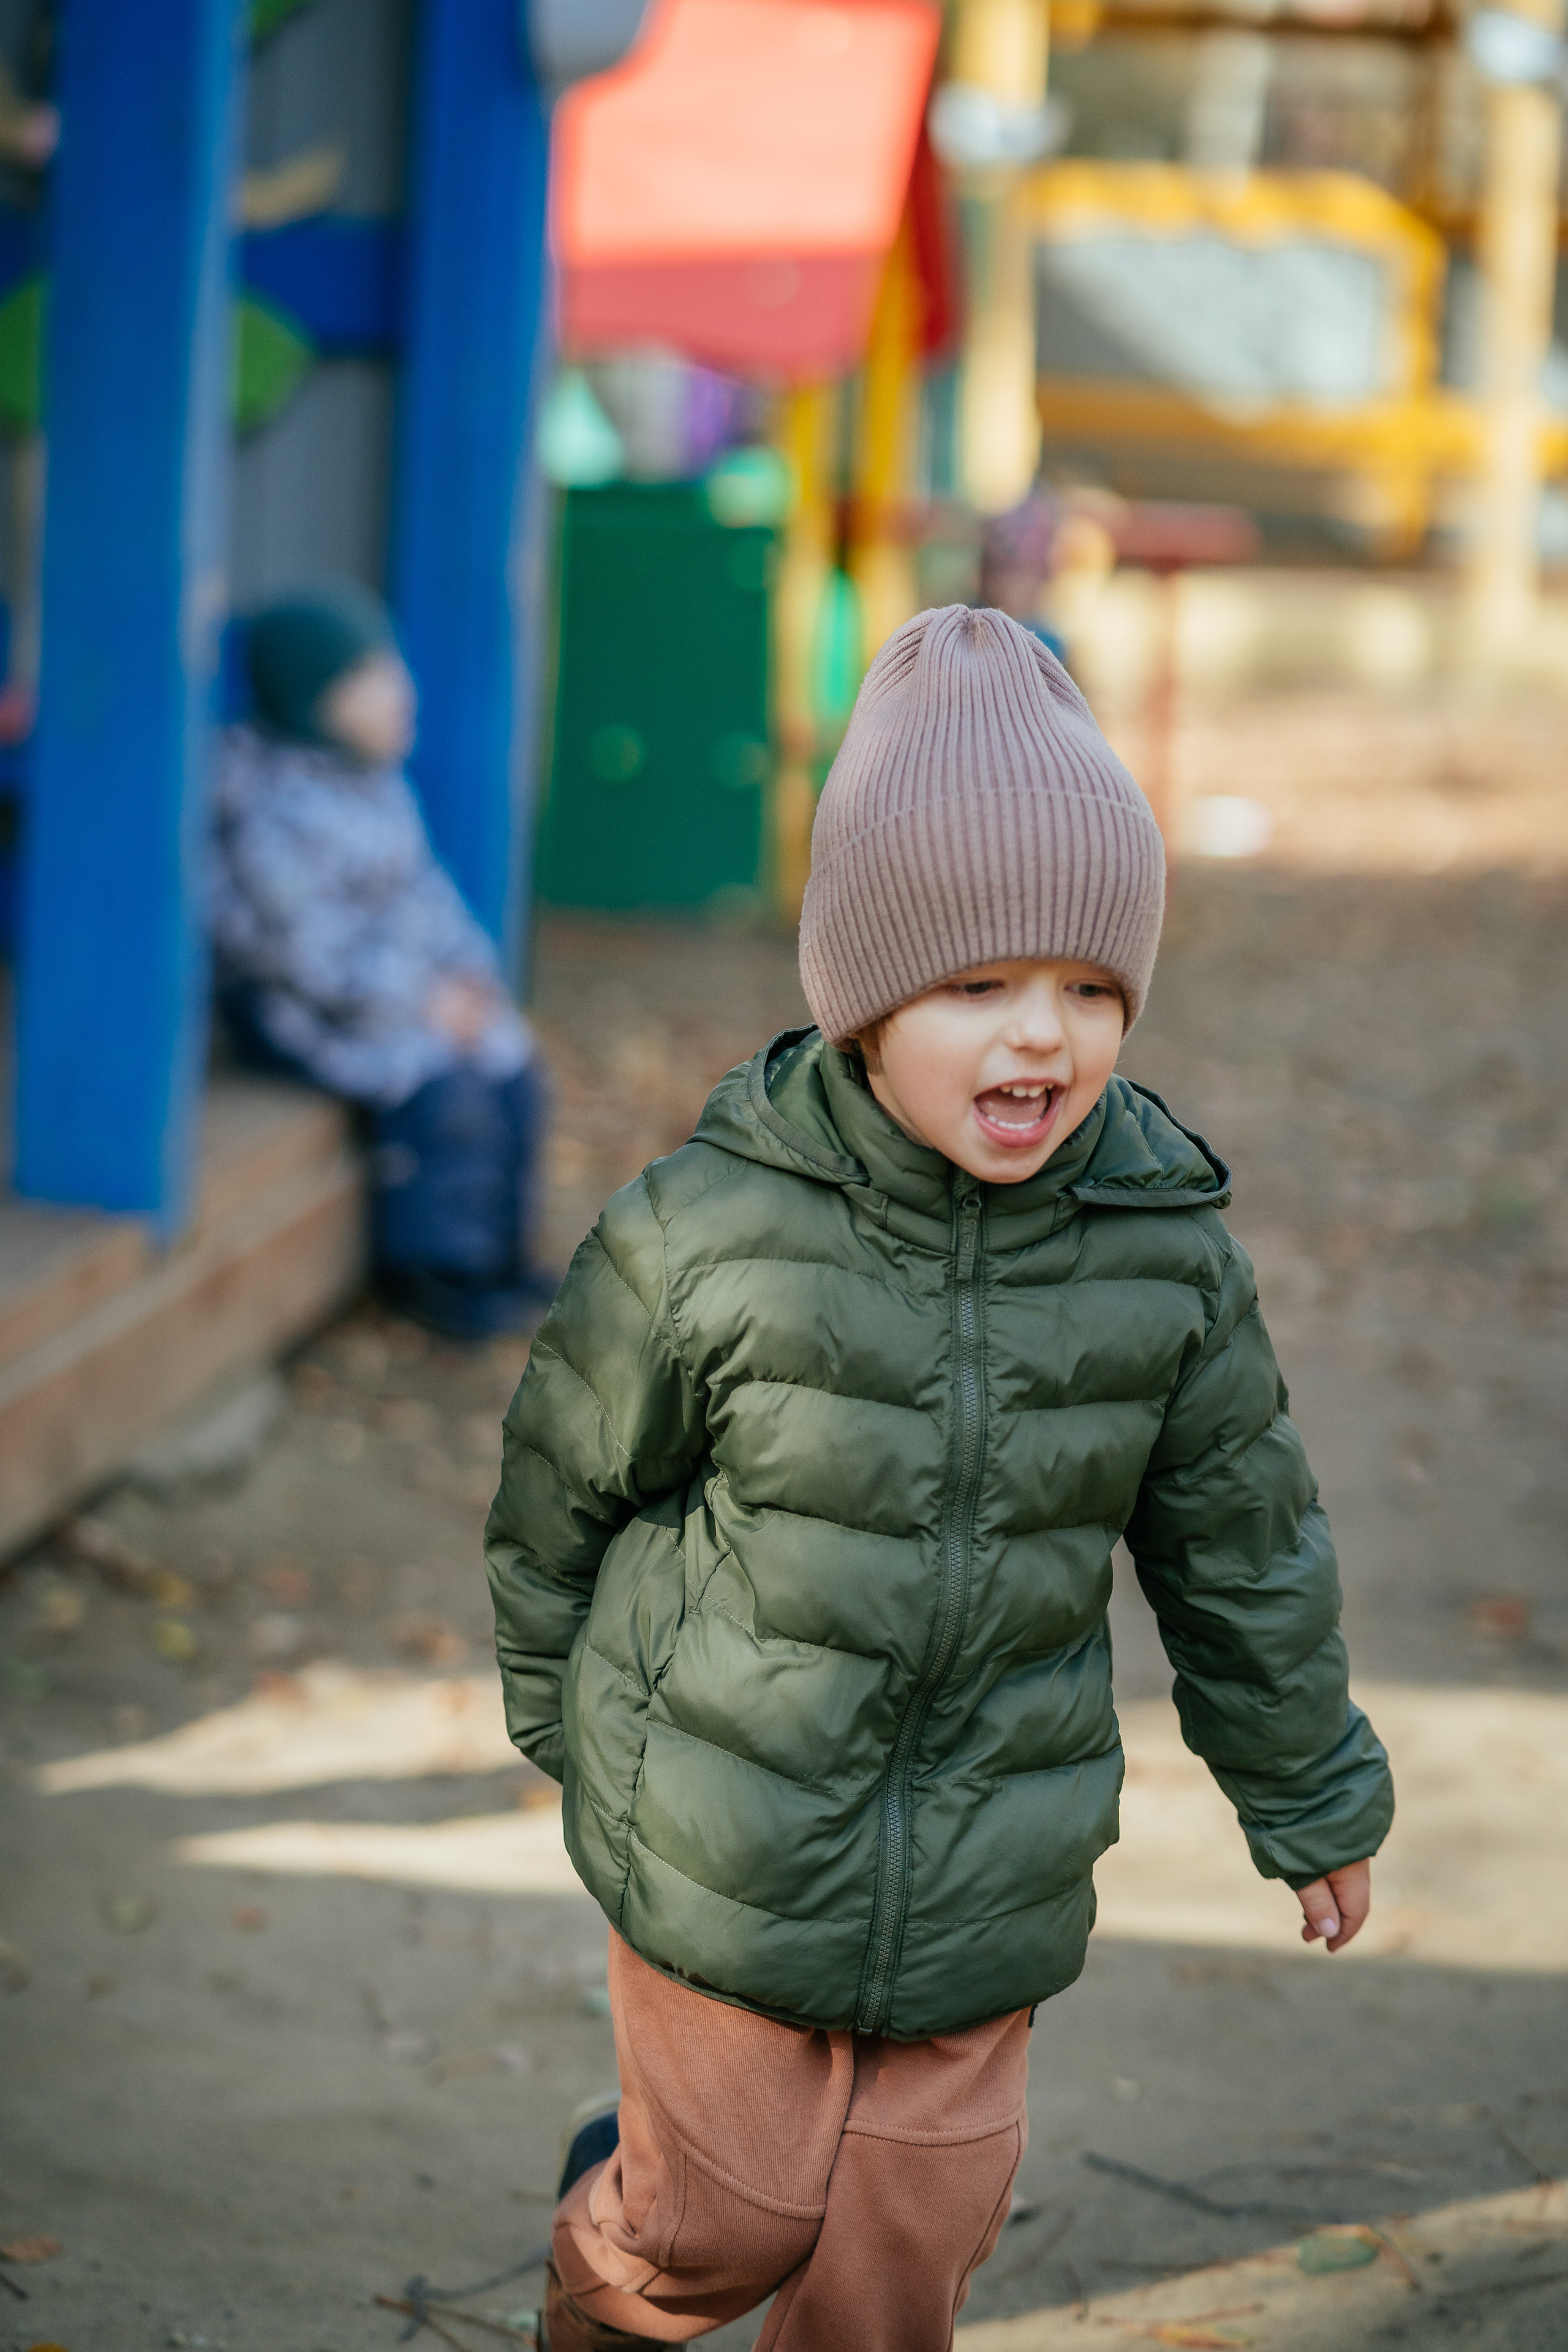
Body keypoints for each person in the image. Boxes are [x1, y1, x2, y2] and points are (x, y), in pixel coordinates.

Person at [484, 606, 1394, 2351]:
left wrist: (1314, 1790)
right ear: (865, 1000)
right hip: (727, 1836)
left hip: (994, 1848)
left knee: (907, 2247)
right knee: (722, 2224)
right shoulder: (709, 1233)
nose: (1039, 1038)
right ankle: (614, 2265)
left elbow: (1243, 1550)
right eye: (978, 987)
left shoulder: (1160, 1254)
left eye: (1089, 988)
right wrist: (564, 1715)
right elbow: (564, 1491)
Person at [211, 581, 552, 1340]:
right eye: (373, 681)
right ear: (315, 701)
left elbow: (428, 896)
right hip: (304, 1010)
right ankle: (436, 1266)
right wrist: (420, 1004)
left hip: (411, 993)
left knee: (511, 1066)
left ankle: (500, 1249)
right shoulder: (274, 810)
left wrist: (466, 980)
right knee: (443, 1091)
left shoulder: (378, 789)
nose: (402, 693)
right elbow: (304, 955)